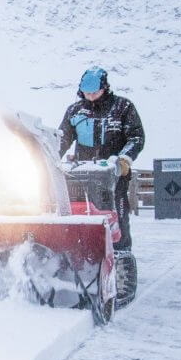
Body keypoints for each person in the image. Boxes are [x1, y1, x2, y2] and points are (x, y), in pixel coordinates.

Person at [58, 66, 145, 251]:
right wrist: (49, 158)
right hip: (80, 176)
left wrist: (124, 160)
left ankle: (121, 257)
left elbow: (136, 137)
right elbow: (62, 139)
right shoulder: (75, 111)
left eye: (94, 92)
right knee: (77, 217)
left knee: (117, 218)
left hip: (113, 177)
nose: (90, 96)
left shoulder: (123, 108)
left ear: (105, 88)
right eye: (86, 92)